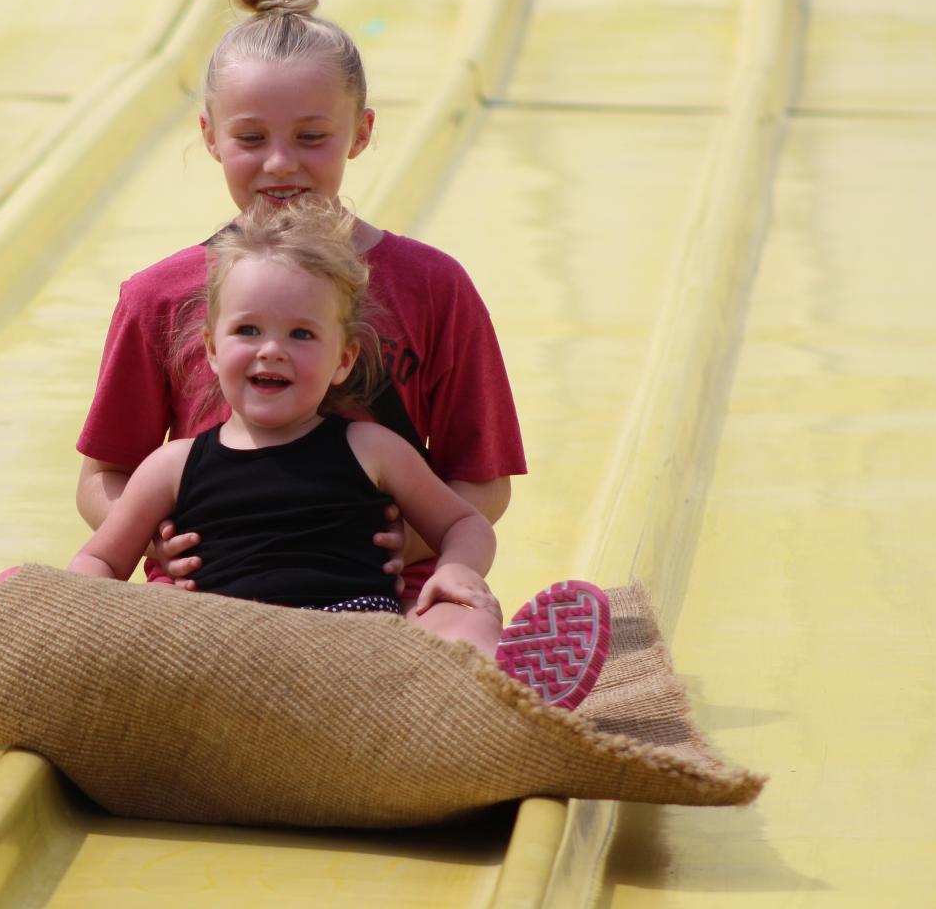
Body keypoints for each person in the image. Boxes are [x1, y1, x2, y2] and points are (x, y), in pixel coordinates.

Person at [76, 0, 525, 644]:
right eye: (251, 137)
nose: (281, 163)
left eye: (312, 137)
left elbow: (482, 481)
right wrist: (150, 536)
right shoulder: (159, 296)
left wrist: (408, 541)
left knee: (462, 625)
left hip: (386, 605)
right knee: (80, 617)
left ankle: (509, 694)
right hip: (207, 605)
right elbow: (104, 475)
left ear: (361, 133)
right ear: (211, 138)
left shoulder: (435, 287)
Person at [67, 199, 607, 709]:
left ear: (343, 359)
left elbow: (465, 521)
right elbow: (101, 557)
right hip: (220, 645)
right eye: (247, 330)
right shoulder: (173, 466)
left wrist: (458, 572)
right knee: (72, 601)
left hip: (360, 646)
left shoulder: (371, 448)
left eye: (302, 334)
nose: (272, 348)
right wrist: (75, 605)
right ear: (210, 348)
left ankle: (505, 695)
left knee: (460, 618)